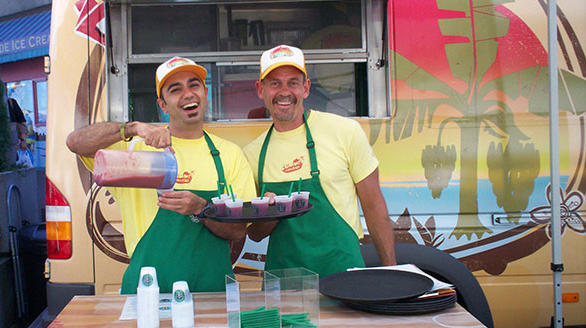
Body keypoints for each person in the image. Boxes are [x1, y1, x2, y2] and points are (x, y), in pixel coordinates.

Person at [66, 56, 256, 294]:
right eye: (175, 90)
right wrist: (132, 128)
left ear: (205, 93)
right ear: (163, 105)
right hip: (148, 293)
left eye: (194, 85)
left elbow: (238, 231)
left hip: (211, 293)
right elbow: (75, 142)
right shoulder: (134, 150)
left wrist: (202, 209)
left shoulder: (230, 154)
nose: (188, 94)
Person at [244, 45, 396, 276]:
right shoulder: (252, 154)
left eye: (293, 83)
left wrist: (393, 272)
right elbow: (255, 234)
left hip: (344, 274)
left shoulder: (345, 132)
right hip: (285, 283)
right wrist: (271, 213)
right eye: (275, 83)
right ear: (260, 89)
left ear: (305, 88)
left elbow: (374, 207)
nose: (284, 92)